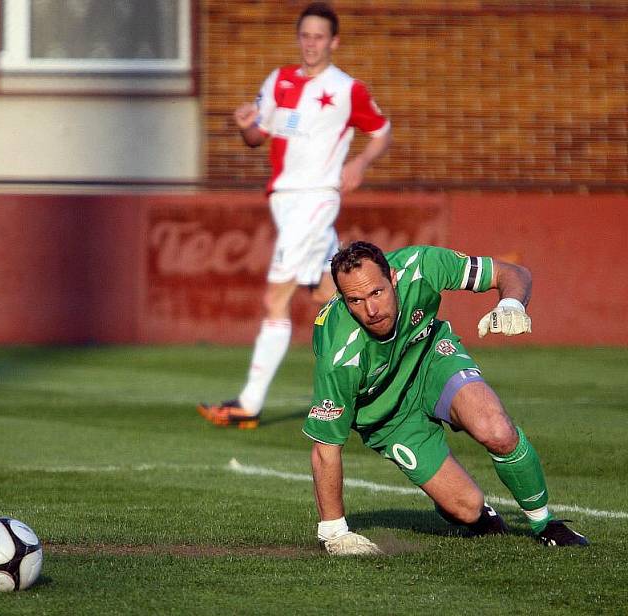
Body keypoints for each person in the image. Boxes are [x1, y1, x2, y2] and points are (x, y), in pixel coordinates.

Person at [305, 241, 589, 555]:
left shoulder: (423, 264)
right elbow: (325, 450)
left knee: (496, 429)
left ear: (394, 277)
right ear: (343, 300)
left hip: (432, 360)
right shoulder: (338, 353)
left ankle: (545, 523)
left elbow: (512, 272)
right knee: (466, 509)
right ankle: (478, 514)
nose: (371, 311)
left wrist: (511, 304)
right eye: (355, 300)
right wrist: (334, 532)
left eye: (377, 293)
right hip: (388, 418)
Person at [198, 2, 392, 429]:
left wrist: (359, 164)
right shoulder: (279, 81)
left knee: (275, 299)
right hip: (286, 202)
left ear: (334, 41)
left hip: (316, 200)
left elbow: (381, 130)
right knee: (331, 295)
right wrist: (245, 124)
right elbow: (256, 135)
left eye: (319, 36)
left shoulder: (346, 88)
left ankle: (248, 404)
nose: (311, 43)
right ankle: (390, 370)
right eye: (305, 35)